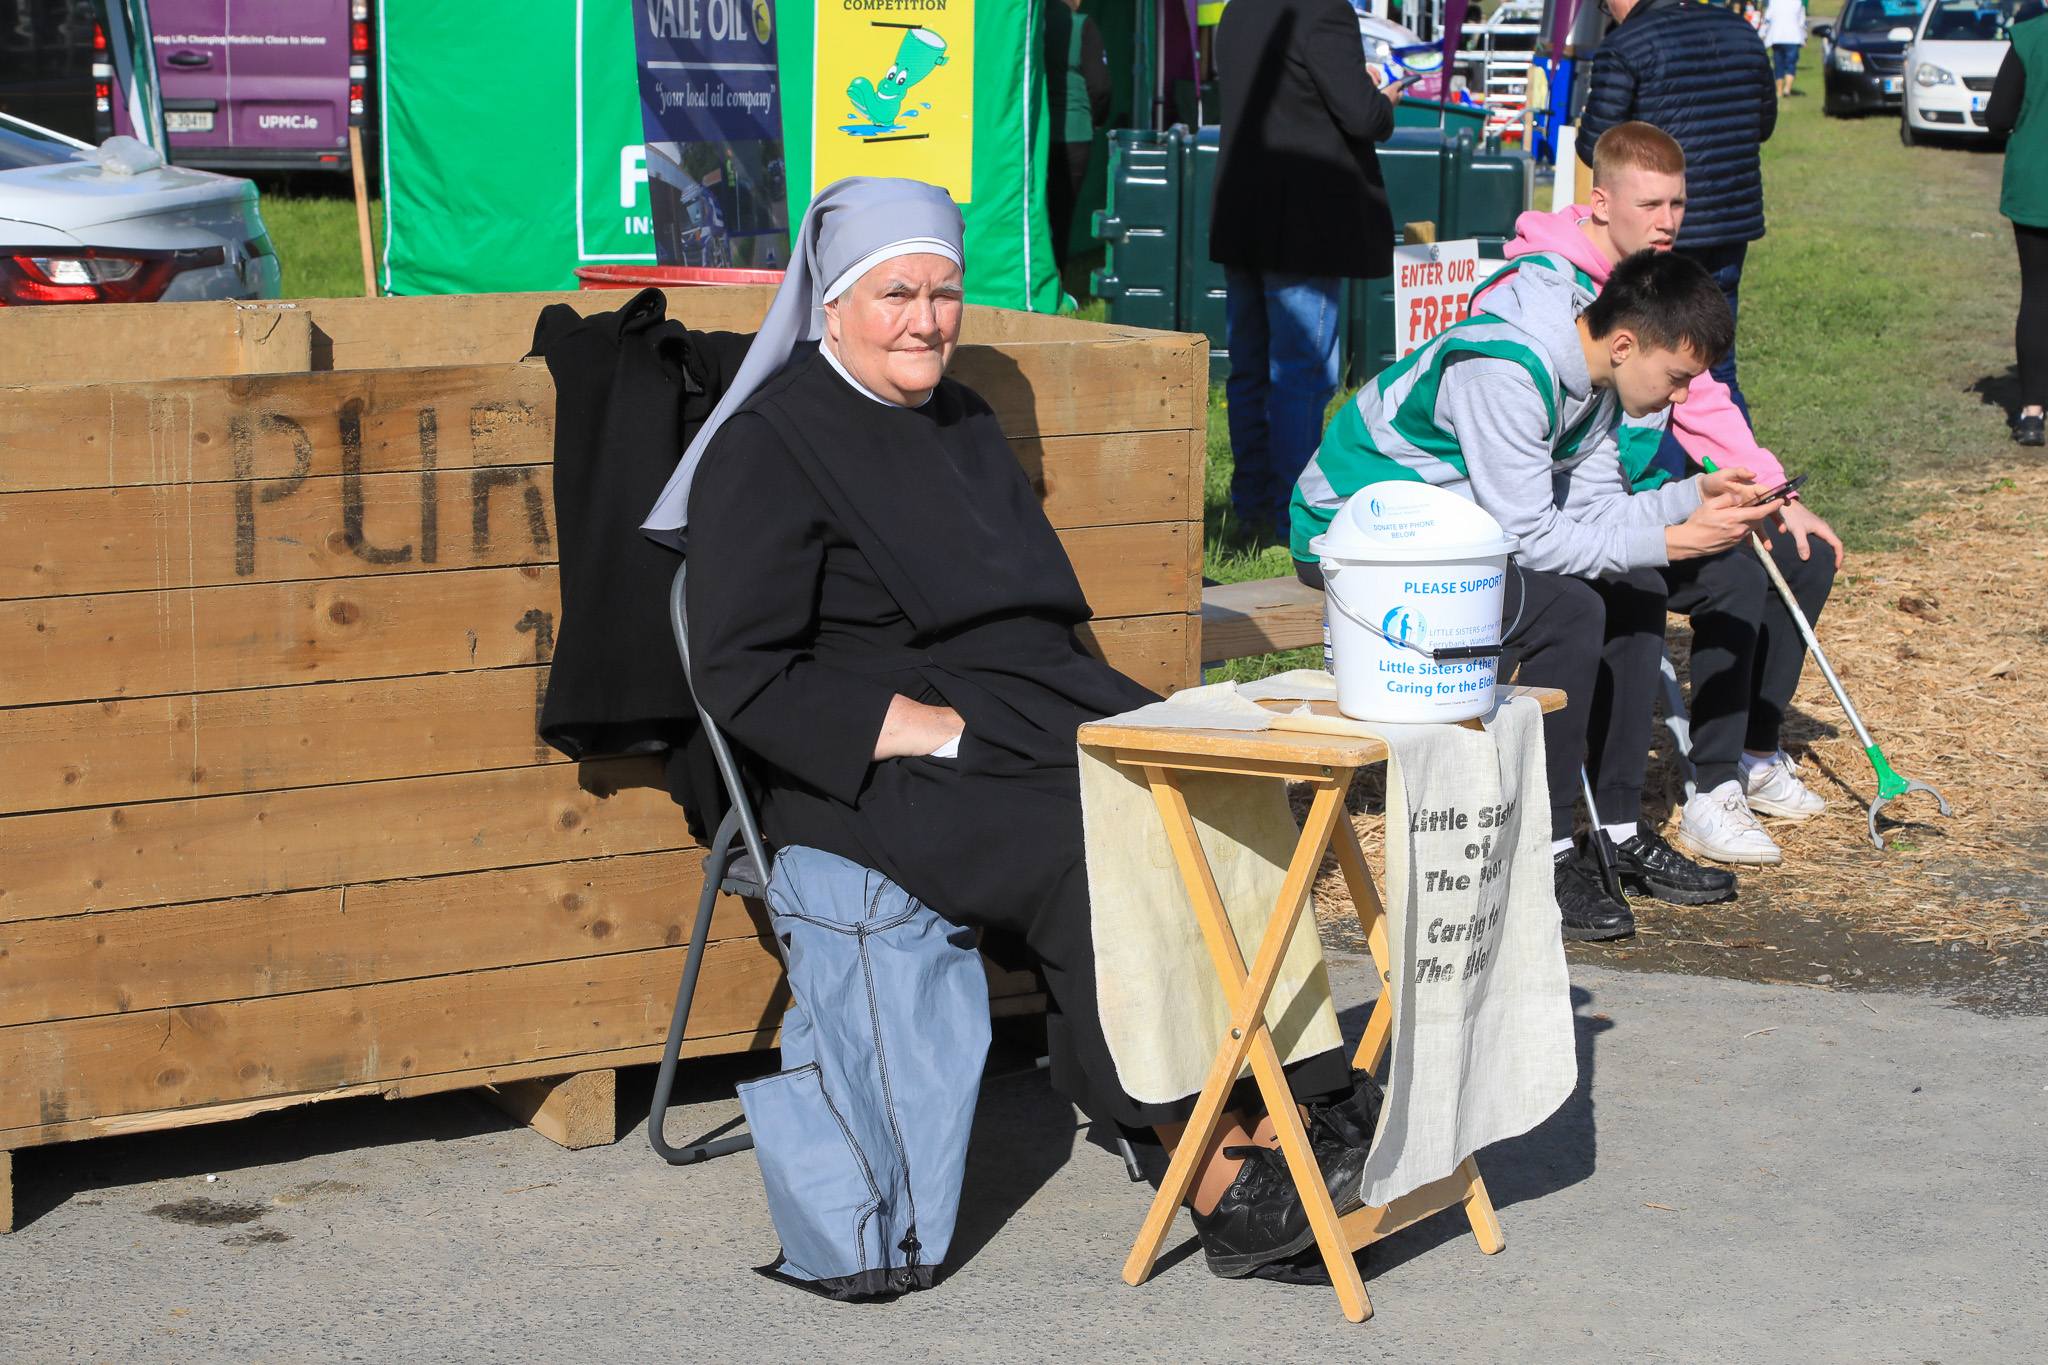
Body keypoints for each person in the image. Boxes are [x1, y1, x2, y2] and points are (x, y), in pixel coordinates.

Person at [644, 177, 1372, 1282]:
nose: (925, 320)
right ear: (832, 303)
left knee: (1224, 792)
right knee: (1090, 850)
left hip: (1022, 701)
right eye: (895, 294)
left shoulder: (962, 415)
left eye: (943, 293)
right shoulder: (770, 443)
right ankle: (1203, 1161)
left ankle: (1286, 1102)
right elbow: (742, 670)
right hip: (867, 759)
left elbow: (1026, 607)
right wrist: (919, 729)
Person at [1292, 249, 1783, 939]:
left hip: (1447, 535)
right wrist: (1676, 541)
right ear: (1625, 344)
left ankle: (1615, 828)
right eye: (1677, 377)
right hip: (1358, 538)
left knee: (1636, 587)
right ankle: (1541, 852)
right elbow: (1531, 540)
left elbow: (1597, 513)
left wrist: (1690, 497)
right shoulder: (1503, 369)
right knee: (1570, 610)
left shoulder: (1598, 379)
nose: (1679, 398)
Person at [1500, 121, 1840, 871]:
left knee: (1802, 553)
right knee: (1731, 574)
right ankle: (1708, 787)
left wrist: (1773, 491)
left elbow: (1705, 399)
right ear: (1599, 202)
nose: (1667, 221)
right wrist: (1678, 527)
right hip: (1567, 515)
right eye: (1650, 204)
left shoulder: (1658, 284)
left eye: (1677, 204)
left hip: (1630, 498)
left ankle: (1753, 753)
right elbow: (1546, 482)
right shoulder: (1544, 292)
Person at [1212, 0, 1398, 543]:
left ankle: (1252, 508)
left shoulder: (1238, 9)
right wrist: (1382, 100)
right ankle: (1289, 517)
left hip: (1245, 211)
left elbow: (1297, 93)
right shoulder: (1325, 11)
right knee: (1301, 376)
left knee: (1252, 372)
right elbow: (1361, 116)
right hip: (1300, 221)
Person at [1579, 0, 1777, 412]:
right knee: (1715, 367)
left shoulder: (1626, 44)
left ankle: (1668, 455)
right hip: (1729, 216)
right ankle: (1735, 451)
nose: (1607, 11)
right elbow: (1764, 124)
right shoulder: (1741, 30)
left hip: (1655, 225)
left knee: (1658, 364)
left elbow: (1596, 145)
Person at [1987, 3, 2048, 447]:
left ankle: (2031, 413)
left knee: (2038, 294)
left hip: (2036, 184)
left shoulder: (2030, 36)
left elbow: (1998, 117)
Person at [1043, 0, 1113, 268]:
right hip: (1074, 132)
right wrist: (1097, 120)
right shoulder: (1083, 25)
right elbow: (1099, 85)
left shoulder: (1030, 24)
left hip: (1035, 134)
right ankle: (1056, 276)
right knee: (1062, 215)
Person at [1764, 0, 1809, 97]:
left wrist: (1763, 34)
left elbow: (1767, 18)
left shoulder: (1773, 2)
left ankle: (1779, 91)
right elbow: (1802, 21)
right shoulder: (1798, 2)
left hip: (1777, 36)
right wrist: (1805, 37)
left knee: (1778, 64)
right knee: (1791, 64)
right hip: (1793, 37)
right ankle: (1787, 87)